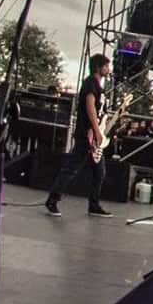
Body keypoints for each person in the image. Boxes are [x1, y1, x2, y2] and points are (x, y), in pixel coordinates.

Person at [46, 53, 110, 216]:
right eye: (106, 66)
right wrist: (96, 130)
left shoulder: (100, 88)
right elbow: (90, 108)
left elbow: (100, 111)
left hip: (94, 136)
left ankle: (93, 205)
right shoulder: (90, 84)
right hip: (85, 134)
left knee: (99, 172)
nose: (108, 69)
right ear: (98, 67)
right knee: (71, 168)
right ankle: (52, 199)